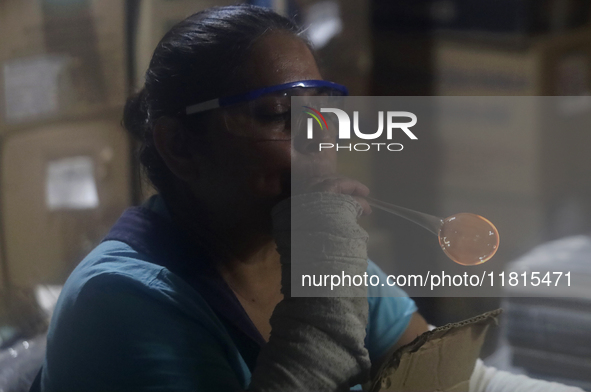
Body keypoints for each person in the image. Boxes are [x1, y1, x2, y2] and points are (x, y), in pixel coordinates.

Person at [37, 5, 583, 392]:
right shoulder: (118, 307)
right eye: (279, 117)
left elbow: (454, 382)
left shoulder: (300, 246)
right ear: (180, 146)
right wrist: (328, 307)